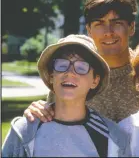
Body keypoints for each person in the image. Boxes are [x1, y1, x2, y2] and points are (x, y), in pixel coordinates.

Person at [2, 34, 131, 157]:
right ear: (52, 76)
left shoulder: (113, 137)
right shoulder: (24, 131)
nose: (70, 73)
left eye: (81, 67)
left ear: (94, 81)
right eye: (62, 65)